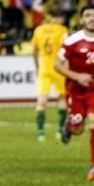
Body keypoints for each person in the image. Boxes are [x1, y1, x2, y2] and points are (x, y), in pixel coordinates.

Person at [54, 6, 94, 181]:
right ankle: (68, 126)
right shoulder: (72, 41)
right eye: (87, 15)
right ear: (81, 20)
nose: (92, 18)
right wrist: (77, 76)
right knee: (78, 128)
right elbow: (57, 65)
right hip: (75, 90)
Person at [31, 13, 69, 142]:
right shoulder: (62, 30)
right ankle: (60, 130)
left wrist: (37, 67)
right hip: (58, 68)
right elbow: (66, 50)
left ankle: (40, 133)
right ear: (57, 18)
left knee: (42, 100)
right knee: (62, 98)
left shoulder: (38, 30)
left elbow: (34, 51)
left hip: (44, 68)